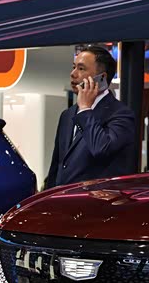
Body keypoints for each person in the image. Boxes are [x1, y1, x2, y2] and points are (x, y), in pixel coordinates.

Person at [45, 45, 136, 189]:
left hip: (97, 200)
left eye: (81, 69)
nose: (73, 74)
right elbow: (57, 166)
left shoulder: (121, 114)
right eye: (74, 67)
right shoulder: (67, 115)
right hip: (64, 199)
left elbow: (102, 149)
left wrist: (85, 109)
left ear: (102, 78)